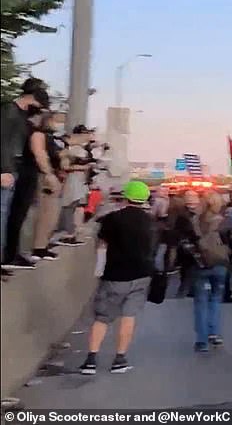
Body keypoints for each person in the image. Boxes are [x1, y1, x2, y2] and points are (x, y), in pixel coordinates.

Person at [79, 181, 156, 375]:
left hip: (115, 274)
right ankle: (120, 358)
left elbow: (102, 245)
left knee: (102, 318)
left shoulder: (113, 219)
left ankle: (91, 359)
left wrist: (99, 270)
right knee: (128, 317)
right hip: (141, 274)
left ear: (125, 197)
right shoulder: (149, 221)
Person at [1, 79, 49, 276]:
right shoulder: (8, 111)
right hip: (6, 169)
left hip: (13, 169)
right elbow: (2, 141)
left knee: (5, 216)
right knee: (1, 215)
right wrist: (4, 169)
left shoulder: (20, 115)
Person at [188, 192, 231, 352]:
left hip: (201, 264)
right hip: (220, 264)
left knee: (200, 302)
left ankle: (201, 341)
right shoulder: (224, 222)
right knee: (215, 299)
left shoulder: (195, 221)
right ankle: (214, 333)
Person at [25, 111, 66, 261]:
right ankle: (37, 247)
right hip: (44, 178)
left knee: (50, 215)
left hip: (52, 176)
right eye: (58, 121)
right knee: (44, 214)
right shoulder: (39, 135)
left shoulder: (51, 138)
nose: (60, 124)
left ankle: (42, 246)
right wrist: (48, 174)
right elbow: (40, 155)